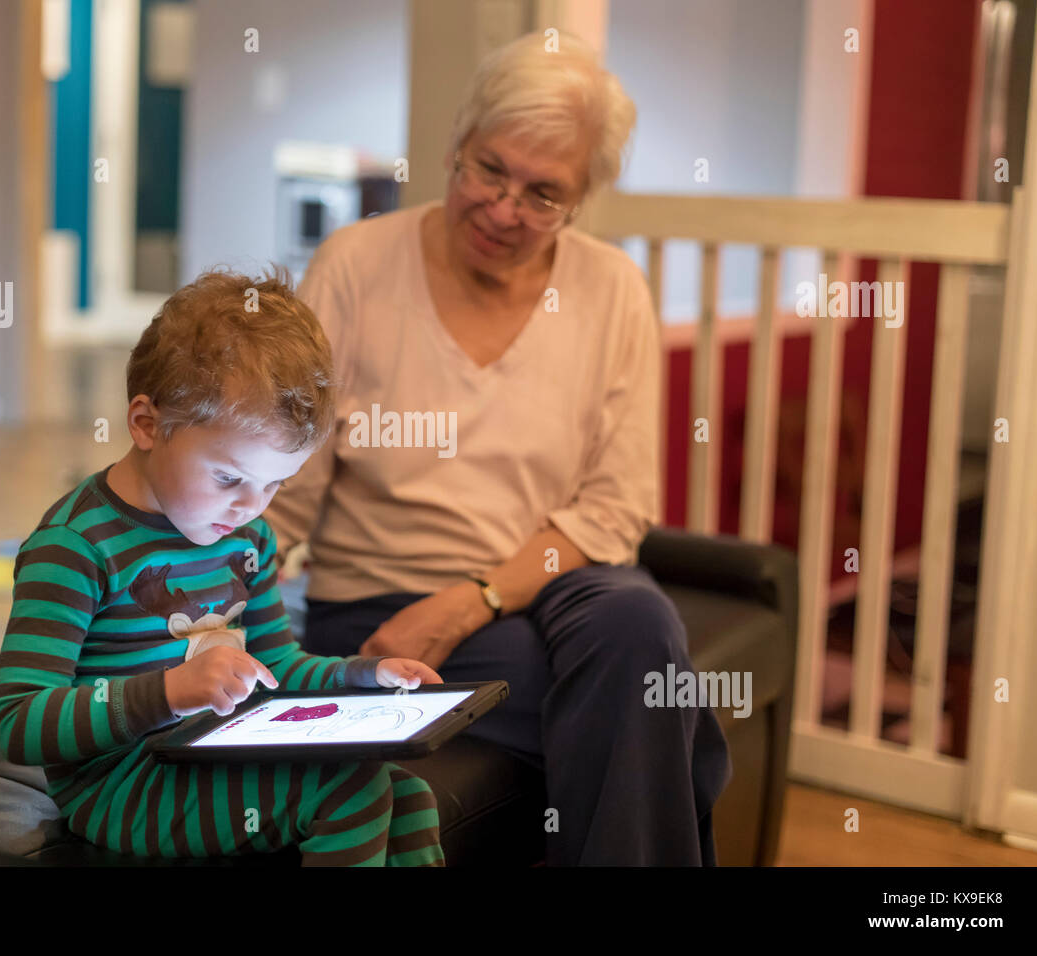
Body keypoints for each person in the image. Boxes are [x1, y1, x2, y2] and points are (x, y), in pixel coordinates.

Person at [267, 32, 732, 865]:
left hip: (556, 581)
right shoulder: (355, 267)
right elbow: (286, 483)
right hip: (383, 603)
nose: (504, 208)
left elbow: (616, 506)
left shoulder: (612, 290)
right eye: (489, 170)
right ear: (455, 144)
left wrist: (473, 598)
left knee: (637, 620)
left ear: (581, 200)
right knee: (648, 689)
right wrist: (202, 600)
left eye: (543, 193)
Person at [0, 268, 445, 866]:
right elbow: (18, 722)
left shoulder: (246, 535)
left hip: (212, 751)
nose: (252, 507)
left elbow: (276, 667)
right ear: (147, 424)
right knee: (351, 787)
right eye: (229, 478)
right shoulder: (76, 546)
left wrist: (364, 677)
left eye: (275, 484)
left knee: (410, 794)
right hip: (124, 785)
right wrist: (168, 693)